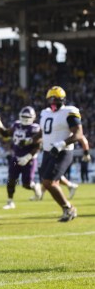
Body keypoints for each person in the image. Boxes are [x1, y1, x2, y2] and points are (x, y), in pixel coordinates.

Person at [38, 86, 89, 222]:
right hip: (48, 152)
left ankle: (69, 208)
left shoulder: (69, 111)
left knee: (49, 182)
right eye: (51, 99)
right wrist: (29, 141)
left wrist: (61, 144)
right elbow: (42, 132)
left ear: (63, 100)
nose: (53, 102)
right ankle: (67, 207)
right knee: (47, 182)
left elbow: (78, 133)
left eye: (56, 99)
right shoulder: (45, 113)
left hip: (63, 152)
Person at [0, 106, 43, 209]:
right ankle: (10, 202)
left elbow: (38, 146)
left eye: (27, 116)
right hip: (16, 158)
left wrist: (27, 157)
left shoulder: (35, 128)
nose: (24, 118)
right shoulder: (17, 125)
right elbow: (6, 134)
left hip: (29, 160)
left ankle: (35, 187)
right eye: (23, 116)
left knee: (26, 184)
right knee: (11, 179)